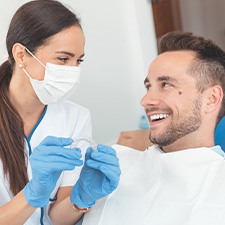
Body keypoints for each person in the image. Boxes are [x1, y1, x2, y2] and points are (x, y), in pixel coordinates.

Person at [82, 31, 225, 225]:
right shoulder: (116, 165)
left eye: (166, 85)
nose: (146, 101)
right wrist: (78, 201)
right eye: (148, 87)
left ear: (211, 99)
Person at [0, 1, 120, 225]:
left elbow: (57, 219)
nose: (73, 70)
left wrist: (82, 197)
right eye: (63, 59)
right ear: (21, 54)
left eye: (78, 60)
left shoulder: (76, 117)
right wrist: (32, 194)